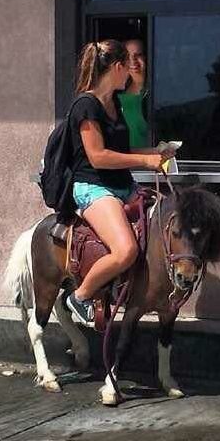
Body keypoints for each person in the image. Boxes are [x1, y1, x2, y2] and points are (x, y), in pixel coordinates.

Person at [64, 40, 172, 326]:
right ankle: (80, 296)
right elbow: (98, 156)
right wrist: (145, 161)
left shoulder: (114, 104)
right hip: (94, 187)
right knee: (126, 250)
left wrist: (156, 153)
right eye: (127, 67)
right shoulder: (86, 106)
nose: (131, 74)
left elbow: (123, 150)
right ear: (117, 67)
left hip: (123, 185)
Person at [116, 37, 150, 150]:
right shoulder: (115, 92)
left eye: (138, 55)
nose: (133, 61)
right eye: (127, 56)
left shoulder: (155, 93)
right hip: (122, 159)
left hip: (149, 159)